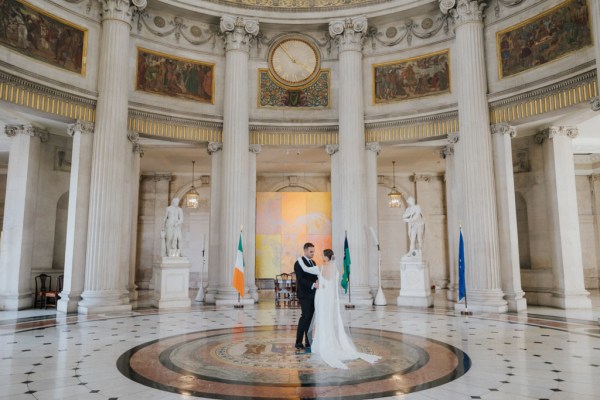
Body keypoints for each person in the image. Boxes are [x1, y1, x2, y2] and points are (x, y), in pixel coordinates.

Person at [309, 249, 380, 369]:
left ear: (327, 257)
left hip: (321, 298)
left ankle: (321, 345)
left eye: (322, 255)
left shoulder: (321, 268)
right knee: (329, 321)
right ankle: (330, 342)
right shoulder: (335, 270)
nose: (321, 256)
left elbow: (307, 270)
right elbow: (334, 287)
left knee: (322, 320)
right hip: (331, 300)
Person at [294, 242, 319, 352]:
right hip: (304, 294)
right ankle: (298, 342)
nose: (313, 253)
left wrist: (318, 281)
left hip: (313, 294)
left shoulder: (313, 262)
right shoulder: (298, 263)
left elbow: (316, 275)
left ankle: (308, 341)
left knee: (310, 318)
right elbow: (300, 279)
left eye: (313, 251)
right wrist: (313, 284)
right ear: (305, 250)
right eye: (311, 251)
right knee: (305, 317)